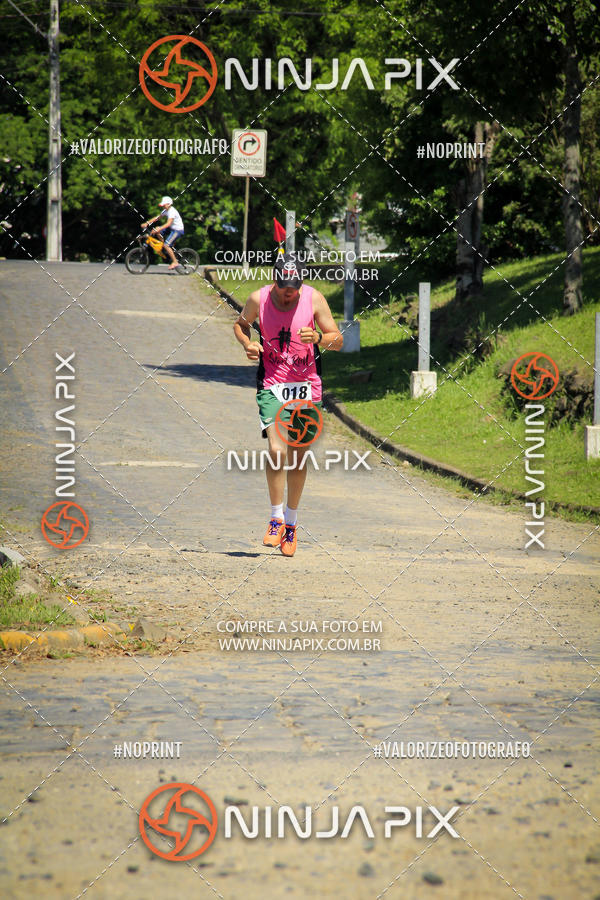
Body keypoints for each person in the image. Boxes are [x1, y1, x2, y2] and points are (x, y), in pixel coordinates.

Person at [233, 252, 343, 557]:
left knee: (297, 457)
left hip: (307, 386)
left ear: (301, 282)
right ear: (276, 279)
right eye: (284, 285)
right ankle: (276, 517)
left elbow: (338, 340)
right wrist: (248, 344)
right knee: (276, 451)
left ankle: (292, 525)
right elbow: (240, 325)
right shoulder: (258, 299)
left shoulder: (314, 299)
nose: (289, 291)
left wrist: (319, 337)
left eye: (294, 286)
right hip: (273, 384)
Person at [141, 196, 184, 270]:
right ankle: (164, 248)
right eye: (163, 205)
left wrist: (159, 228)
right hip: (171, 228)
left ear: (169, 204)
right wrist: (147, 223)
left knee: (166, 244)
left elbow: (168, 224)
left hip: (177, 230)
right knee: (156, 230)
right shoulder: (166, 210)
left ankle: (175, 262)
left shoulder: (172, 211)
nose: (163, 206)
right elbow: (157, 218)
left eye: (164, 205)